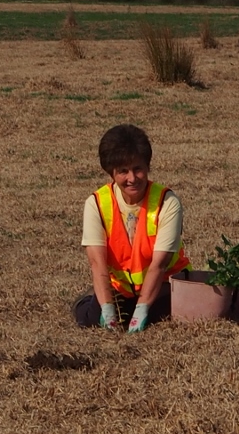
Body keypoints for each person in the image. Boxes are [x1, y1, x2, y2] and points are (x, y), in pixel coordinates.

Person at [74, 124, 189, 333]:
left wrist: (141, 311)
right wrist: (108, 311)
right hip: (121, 289)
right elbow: (97, 263)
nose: (132, 179)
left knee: (162, 319)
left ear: (147, 167)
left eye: (138, 169)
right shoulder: (96, 204)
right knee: (91, 320)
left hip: (164, 285)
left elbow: (159, 264)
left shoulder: (167, 202)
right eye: (123, 172)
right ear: (111, 173)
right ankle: (86, 301)